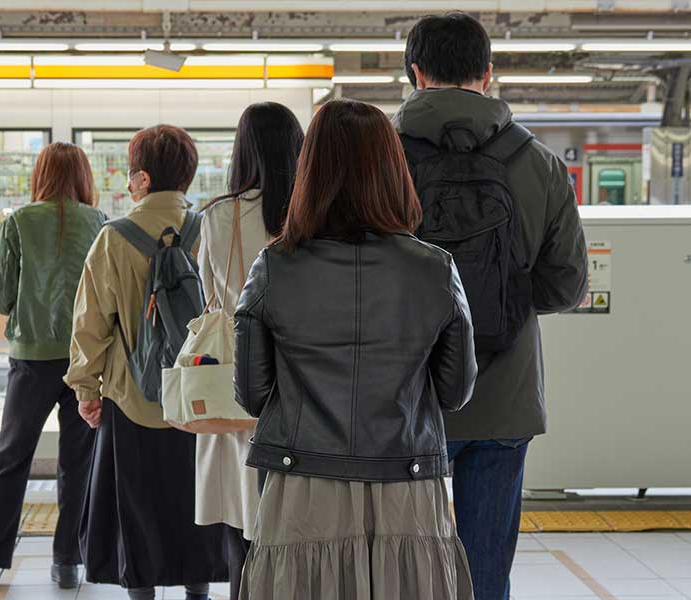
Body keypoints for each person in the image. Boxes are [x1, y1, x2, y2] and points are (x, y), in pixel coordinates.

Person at [235, 98, 477, 600]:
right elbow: (454, 391)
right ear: (393, 171)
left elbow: (253, 393)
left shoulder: (274, 267)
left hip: (303, 487)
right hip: (407, 484)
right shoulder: (434, 269)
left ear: (310, 171)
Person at [394, 13, 589, 600]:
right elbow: (566, 285)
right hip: (504, 391)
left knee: (402, 561)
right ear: (488, 74)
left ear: (415, 71)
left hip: (402, 393)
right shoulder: (540, 163)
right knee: (486, 569)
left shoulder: (378, 157)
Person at [65, 124, 228, 600]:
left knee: (136, 507)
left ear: (141, 178)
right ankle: (199, 589)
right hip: (201, 397)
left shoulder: (113, 239)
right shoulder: (210, 230)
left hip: (132, 397)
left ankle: (142, 592)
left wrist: (86, 391)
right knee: (194, 500)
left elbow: (89, 324)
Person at [0, 142, 107, 590]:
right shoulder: (99, 223)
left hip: (31, 358)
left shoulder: (18, 222)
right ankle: (67, 562)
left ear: (40, 175)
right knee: (79, 462)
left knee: (10, 456)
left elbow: (0, 296)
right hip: (85, 359)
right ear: (83, 177)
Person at [194, 102, 304, 600]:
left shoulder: (220, 217)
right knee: (301, 526)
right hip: (305, 384)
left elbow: (210, 303)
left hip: (237, 387)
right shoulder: (313, 213)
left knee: (241, 525)